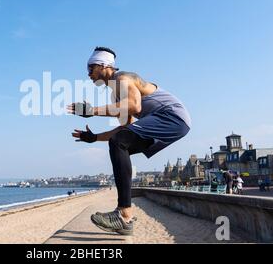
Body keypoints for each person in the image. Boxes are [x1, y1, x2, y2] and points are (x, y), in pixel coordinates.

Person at [68, 47, 191, 235]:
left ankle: (124, 215)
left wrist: (92, 111)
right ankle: (125, 217)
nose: (88, 74)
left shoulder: (122, 78)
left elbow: (134, 105)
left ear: (103, 65)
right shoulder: (116, 94)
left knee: (118, 142)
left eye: (90, 68)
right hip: (174, 122)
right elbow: (124, 131)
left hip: (172, 116)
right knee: (119, 142)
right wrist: (94, 138)